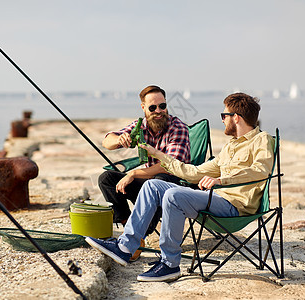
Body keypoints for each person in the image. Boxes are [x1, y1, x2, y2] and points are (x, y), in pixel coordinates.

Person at [86, 92, 275, 282]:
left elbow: (260, 171)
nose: (223, 120)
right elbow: (192, 173)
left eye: (224, 116)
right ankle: (125, 247)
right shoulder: (229, 148)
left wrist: (220, 181)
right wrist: (158, 154)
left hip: (235, 206)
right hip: (214, 199)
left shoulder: (262, 139)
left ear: (236, 118)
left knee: (173, 195)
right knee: (153, 185)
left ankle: (170, 264)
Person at [98, 85, 190, 244]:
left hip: (173, 184)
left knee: (157, 181)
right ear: (143, 107)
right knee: (106, 178)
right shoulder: (141, 126)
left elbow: (169, 166)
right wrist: (119, 139)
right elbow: (107, 141)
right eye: (153, 107)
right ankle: (130, 229)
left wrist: (132, 174)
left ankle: (137, 236)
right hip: (149, 182)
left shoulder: (178, 128)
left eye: (163, 106)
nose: (159, 111)